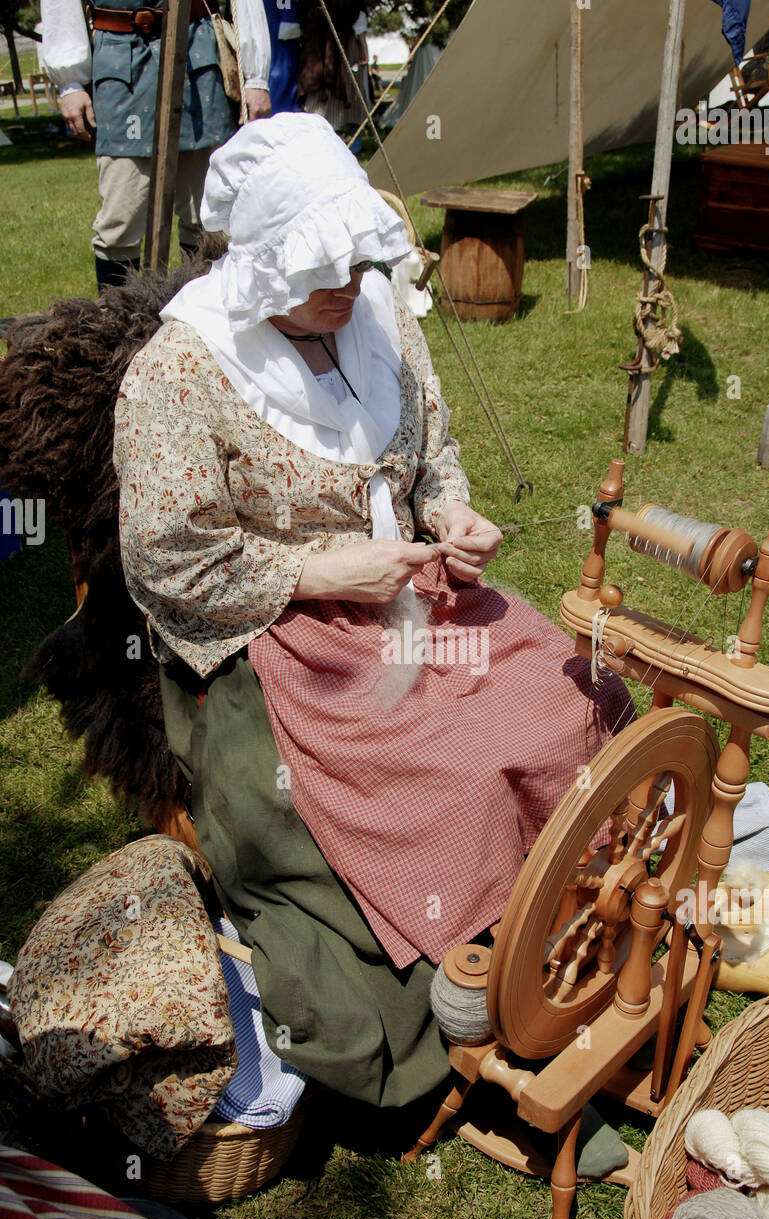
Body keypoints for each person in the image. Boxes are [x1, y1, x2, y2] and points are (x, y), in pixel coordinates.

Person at [112, 113, 633, 1109]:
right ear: (265, 267)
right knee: (458, 773)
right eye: (325, 270)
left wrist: (452, 511)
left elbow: (428, 452)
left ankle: (582, 902)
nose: (352, 286)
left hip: (417, 591)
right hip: (293, 634)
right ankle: (482, 968)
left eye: (359, 260)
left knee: (575, 693)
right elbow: (168, 560)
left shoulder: (378, 312)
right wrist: (317, 575)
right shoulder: (179, 374)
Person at [40, 0, 273, 290]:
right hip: (119, 63)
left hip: (198, 61)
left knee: (206, 217)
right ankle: (121, 325)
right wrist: (70, 82)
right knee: (120, 221)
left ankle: (203, 323)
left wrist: (256, 76)